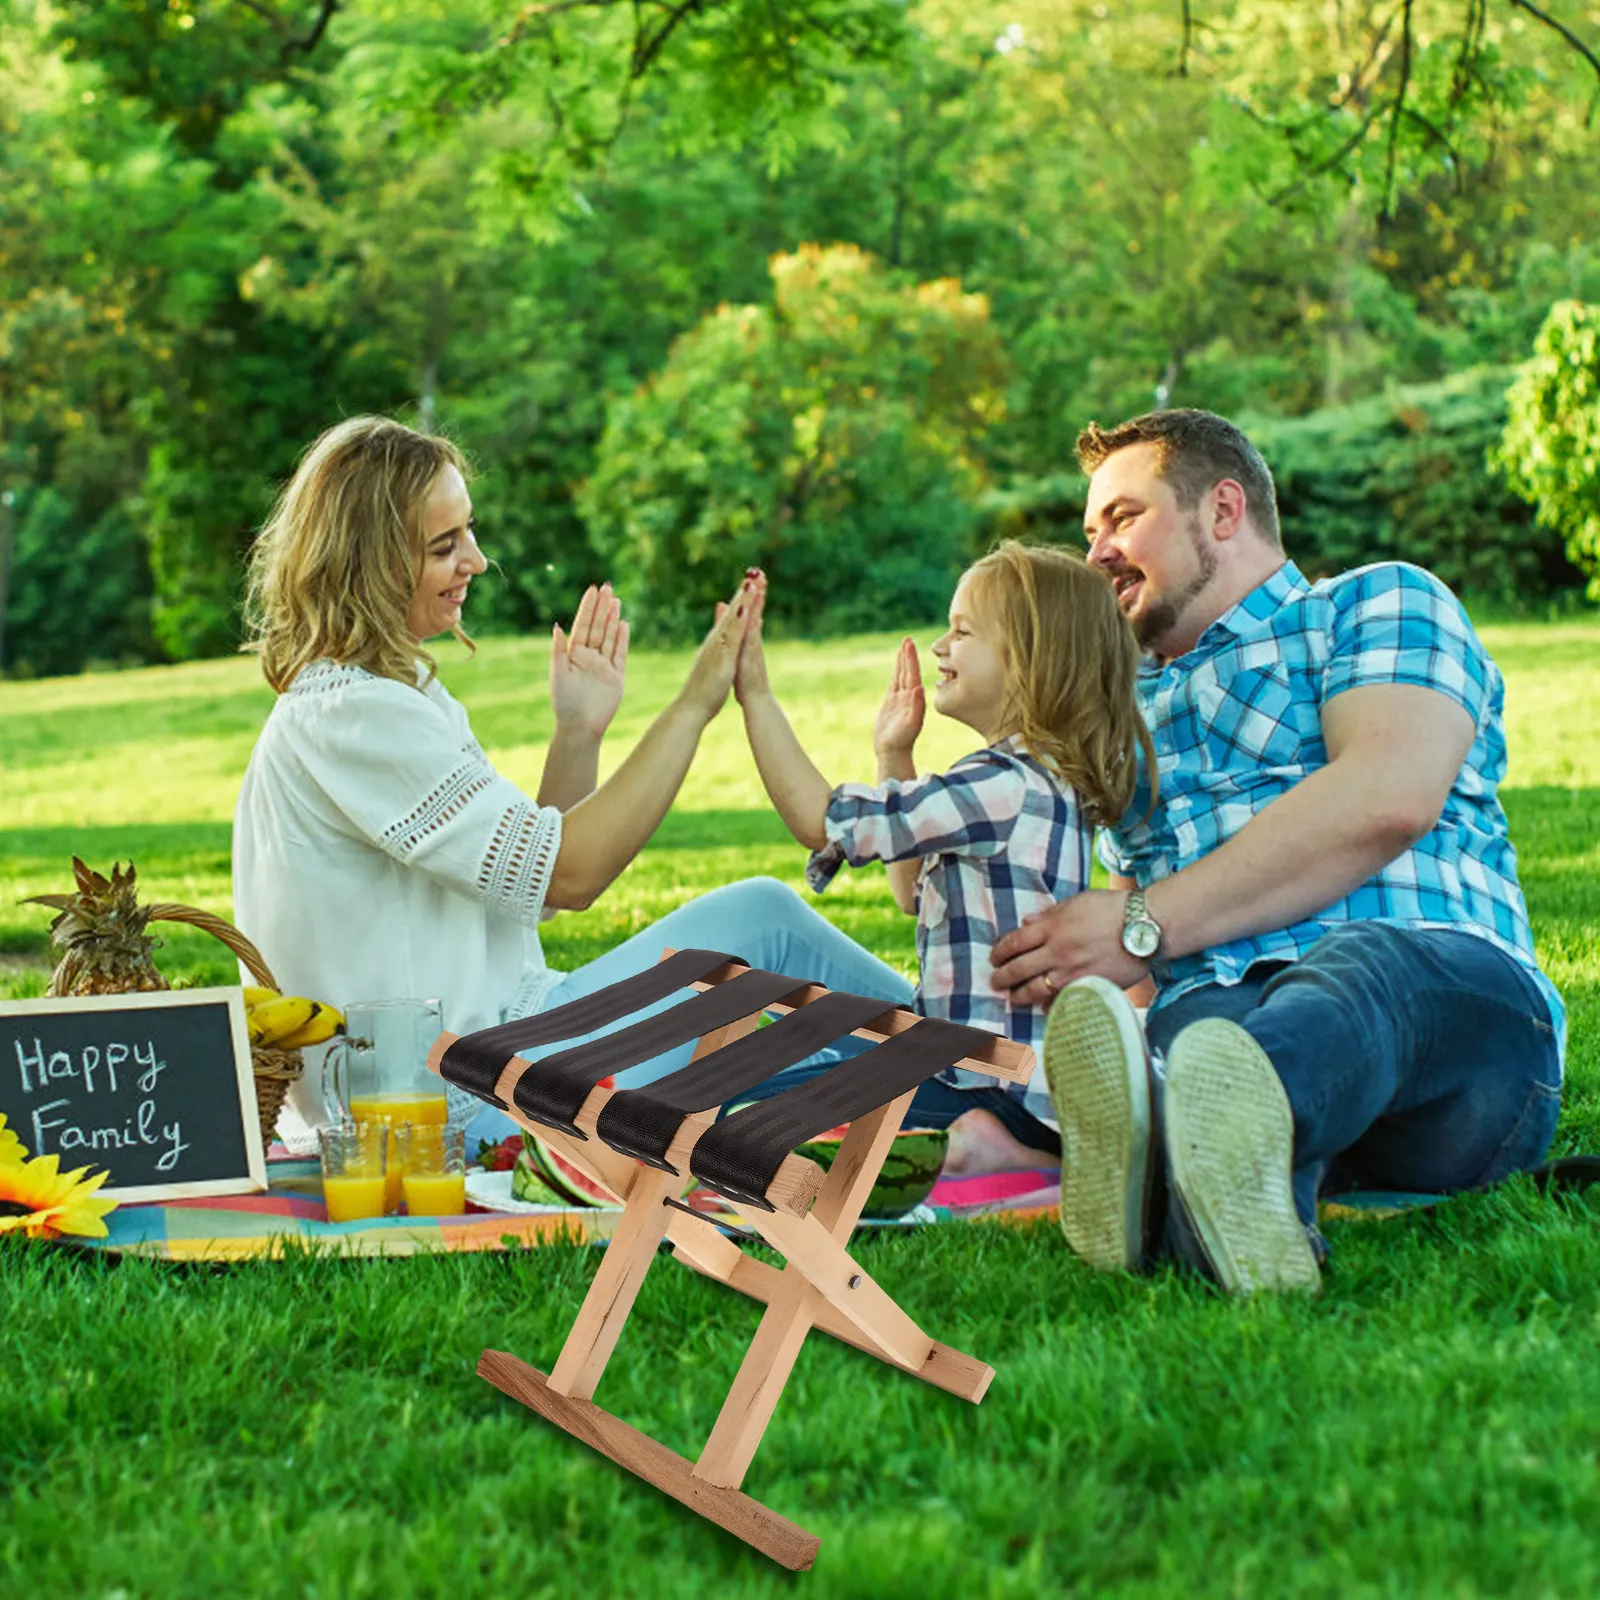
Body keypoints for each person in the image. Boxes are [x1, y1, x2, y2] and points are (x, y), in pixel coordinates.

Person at [232, 416, 1038, 1154]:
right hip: (447, 1107)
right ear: (371, 563)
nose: (476, 559)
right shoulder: (354, 718)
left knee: (782, 1054)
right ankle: (1018, 1078)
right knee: (763, 918)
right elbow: (571, 876)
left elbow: (526, 890)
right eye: (445, 544)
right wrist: (695, 704)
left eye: (468, 531)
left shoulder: (382, 698)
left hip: (488, 1062)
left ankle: (991, 1109)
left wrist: (577, 732)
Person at [988, 408, 1566, 1292]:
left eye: (1123, 518)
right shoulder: (1121, 716)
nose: (1096, 549)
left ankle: (1186, 1159)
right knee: (1201, 1028)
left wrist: (1141, 921)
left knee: (1360, 968)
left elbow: (1386, 798)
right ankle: (1236, 1214)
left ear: (1223, 510)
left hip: (1447, 1015)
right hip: (1225, 1013)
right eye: (1089, 529)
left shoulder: (1375, 603)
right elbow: (1123, 957)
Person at [731, 544, 1154, 1166]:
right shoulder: (1035, 782)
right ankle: (1006, 1149)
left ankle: (1006, 1155)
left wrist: (756, 696)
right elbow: (911, 894)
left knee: (744, 1119)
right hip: (990, 1081)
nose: (939, 647)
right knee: (763, 1081)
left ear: (1030, 659)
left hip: (981, 1087)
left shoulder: (1001, 786)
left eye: (962, 632)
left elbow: (822, 822)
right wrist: (893, 755)